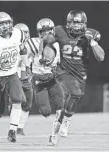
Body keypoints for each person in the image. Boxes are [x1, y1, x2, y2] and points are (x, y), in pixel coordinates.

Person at [43, 10, 105, 143]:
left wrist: (93, 42)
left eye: (79, 23)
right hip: (62, 71)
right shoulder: (60, 31)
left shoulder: (90, 34)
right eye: (73, 23)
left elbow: (101, 57)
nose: (76, 26)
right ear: (68, 23)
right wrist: (48, 54)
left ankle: (55, 130)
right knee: (75, 93)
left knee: (76, 97)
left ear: (84, 24)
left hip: (80, 74)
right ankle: (66, 121)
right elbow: (47, 43)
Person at [0, 12, 31, 143]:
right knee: (0, 111)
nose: (4, 26)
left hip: (12, 74)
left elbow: (22, 50)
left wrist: (27, 66)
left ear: (11, 22)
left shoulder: (18, 34)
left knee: (18, 100)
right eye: (1, 24)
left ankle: (12, 131)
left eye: (6, 23)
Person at [24, 18, 64, 145]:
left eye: (48, 30)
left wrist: (56, 69)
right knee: (46, 111)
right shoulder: (32, 43)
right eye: (43, 31)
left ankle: (54, 135)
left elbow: (57, 63)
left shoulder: (56, 44)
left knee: (61, 107)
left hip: (51, 80)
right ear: (38, 32)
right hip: (39, 82)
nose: (46, 33)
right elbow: (24, 55)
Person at [14, 23, 33, 135]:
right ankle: (14, 127)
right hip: (14, 76)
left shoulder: (32, 45)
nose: (25, 35)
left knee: (28, 103)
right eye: (22, 33)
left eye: (26, 32)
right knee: (19, 101)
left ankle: (20, 128)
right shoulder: (11, 45)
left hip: (25, 78)